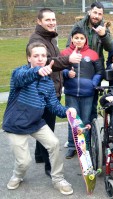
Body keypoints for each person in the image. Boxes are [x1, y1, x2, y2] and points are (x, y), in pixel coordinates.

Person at [3, 42, 77, 195]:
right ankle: (17, 175)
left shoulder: (47, 83)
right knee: (24, 162)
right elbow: (25, 77)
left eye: (43, 56)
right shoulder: (19, 73)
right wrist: (37, 71)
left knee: (54, 143)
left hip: (36, 122)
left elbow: (54, 106)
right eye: (36, 56)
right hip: (16, 124)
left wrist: (67, 111)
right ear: (28, 58)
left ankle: (58, 179)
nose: (40, 59)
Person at [28, 8, 82, 177]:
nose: (52, 22)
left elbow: (55, 61)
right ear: (39, 21)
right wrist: (68, 60)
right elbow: (46, 62)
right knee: (47, 129)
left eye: (53, 19)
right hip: (44, 91)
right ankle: (50, 167)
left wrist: (66, 67)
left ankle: (39, 156)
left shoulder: (50, 37)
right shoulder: (37, 40)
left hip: (53, 87)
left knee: (42, 124)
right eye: (48, 20)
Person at [66, 2, 113, 123]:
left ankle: (91, 135)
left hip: (96, 69)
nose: (96, 16)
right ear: (89, 12)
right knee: (75, 108)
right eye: (95, 13)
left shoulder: (103, 27)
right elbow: (69, 46)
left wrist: (103, 35)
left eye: (100, 14)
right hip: (79, 68)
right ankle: (75, 138)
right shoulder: (79, 26)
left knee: (92, 105)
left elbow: (110, 48)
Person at [61, 27, 104, 158]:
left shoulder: (93, 54)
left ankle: (85, 146)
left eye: (81, 38)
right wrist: (67, 73)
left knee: (85, 120)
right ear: (72, 39)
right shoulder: (64, 53)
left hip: (88, 93)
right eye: (76, 38)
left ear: (85, 40)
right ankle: (72, 146)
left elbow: (99, 71)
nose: (79, 40)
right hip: (71, 92)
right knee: (73, 120)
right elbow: (58, 70)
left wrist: (93, 83)